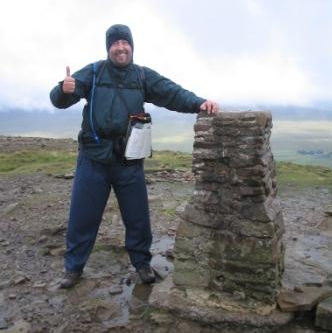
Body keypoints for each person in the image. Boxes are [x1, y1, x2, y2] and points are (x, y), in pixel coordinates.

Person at [50, 24, 219, 288]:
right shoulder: (94, 72)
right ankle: (73, 268)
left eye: (124, 43)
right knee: (82, 216)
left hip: (128, 160)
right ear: (109, 48)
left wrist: (199, 102)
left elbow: (171, 93)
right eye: (115, 43)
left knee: (137, 217)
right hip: (93, 158)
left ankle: (141, 264)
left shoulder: (141, 76)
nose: (120, 47)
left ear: (131, 46)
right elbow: (59, 100)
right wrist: (64, 89)